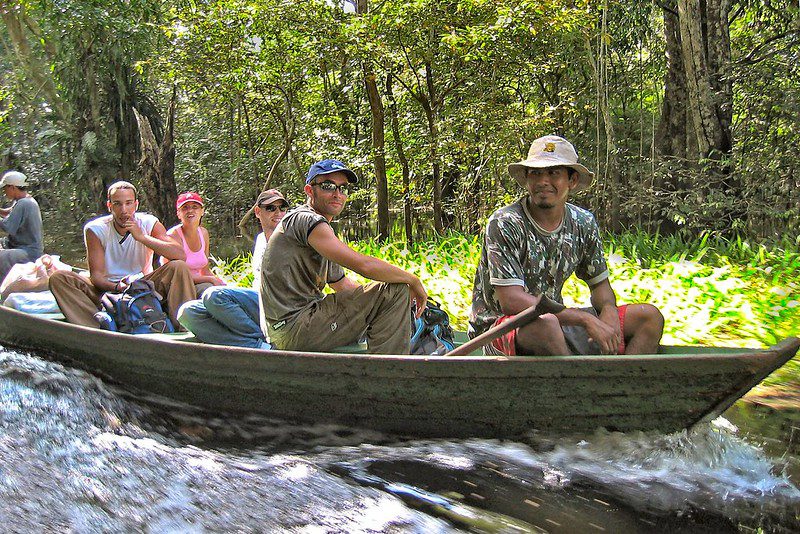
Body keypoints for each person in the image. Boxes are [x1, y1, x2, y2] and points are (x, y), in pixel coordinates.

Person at [469, 135, 664, 356]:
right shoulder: (505, 223)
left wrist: (608, 310)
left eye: (553, 173)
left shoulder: (583, 222)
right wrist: (583, 319)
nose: (543, 181)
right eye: (536, 173)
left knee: (648, 317)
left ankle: (623, 385)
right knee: (547, 325)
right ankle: (573, 386)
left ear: (571, 180)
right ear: (527, 179)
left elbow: (600, 286)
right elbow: (511, 301)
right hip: (500, 328)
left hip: (557, 320)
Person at [261, 159, 427, 354]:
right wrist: (412, 280)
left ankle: (382, 362)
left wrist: (387, 306)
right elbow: (364, 265)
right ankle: (389, 375)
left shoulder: (319, 232)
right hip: (295, 328)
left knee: (390, 296)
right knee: (395, 291)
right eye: (328, 186)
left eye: (343, 188)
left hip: (293, 328)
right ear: (309, 190)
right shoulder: (306, 220)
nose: (337, 194)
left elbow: (343, 286)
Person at [49, 181, 195, 329]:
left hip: (143, 286)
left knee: (178, 266)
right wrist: (118, 287)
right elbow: (97, 276)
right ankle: (97, 327)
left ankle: (184, 325)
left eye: (128, 203)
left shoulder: (149, 223)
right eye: (117, 204)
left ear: (136, 205)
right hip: (109, 289)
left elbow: (180, 255)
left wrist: (142, 237)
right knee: (59, 278)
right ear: (109, 206)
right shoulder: (96, 229)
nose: (124, 210)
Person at [177, 189, 289, 349]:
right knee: (187, 313)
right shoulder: (260, 239)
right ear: (258, 212)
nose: (277, 212)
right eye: (271, 208)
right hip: (258, 302)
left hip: (279, 306)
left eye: (282, 208)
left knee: (213, 296)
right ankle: (260, 346)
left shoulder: (292, 240)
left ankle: (261, 339)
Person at [163, 191, 225, 297]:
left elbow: (205, 270)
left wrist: (220, 282)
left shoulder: (203, 233)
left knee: (228, 292)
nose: (190, 210)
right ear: (178, 213)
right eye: (185, 207)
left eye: (195, 207)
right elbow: (175, 275)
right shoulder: (172, 236)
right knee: (212, 293)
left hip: (200, 284)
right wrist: (210, 279)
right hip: (180, 287)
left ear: (202, 211)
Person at [0, 171, 43, 281]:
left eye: (5, 188)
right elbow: (7, 213)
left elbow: (8, 227)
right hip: (20, 246)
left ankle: (3, 288)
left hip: (28, 251)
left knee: (2, 258)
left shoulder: (23, 203)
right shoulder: (25, 200)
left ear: (13, 187)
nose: (4, 192)